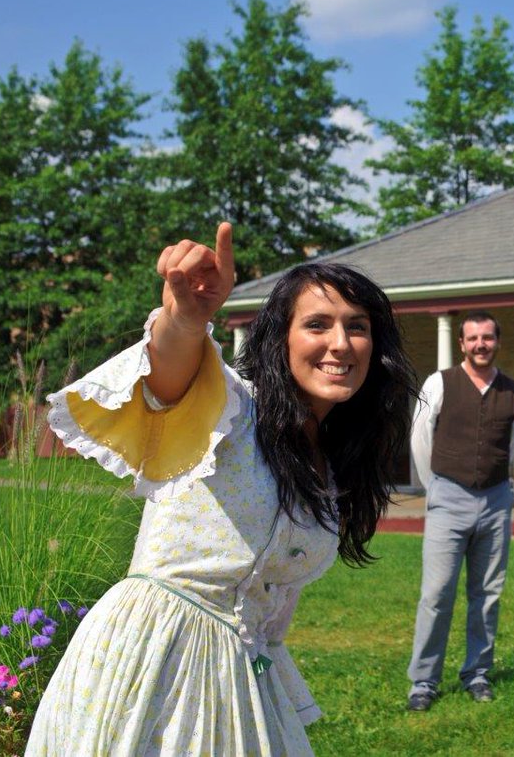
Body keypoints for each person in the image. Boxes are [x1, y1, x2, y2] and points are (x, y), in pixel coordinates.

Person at [28, 223, 418, 755]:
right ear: (281, 338)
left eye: (357, 327)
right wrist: (182, 321)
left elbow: (271, 610)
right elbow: (167, 379)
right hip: (153, 658)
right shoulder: (233, 408)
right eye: (318, 325)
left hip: (238, 677)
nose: (340, 344)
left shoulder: (334, 471)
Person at [405, 311, 514, 711]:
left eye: (487, 337)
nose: (480, 345)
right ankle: (424, 681)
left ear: (497, 341)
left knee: (487, 594)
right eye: (472, 338)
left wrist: (502, 485)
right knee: (436, 594)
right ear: (461, 344)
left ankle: (477, 673)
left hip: (495, 502)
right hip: (448, 497)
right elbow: (420, 437)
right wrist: (434, 486)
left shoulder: (513, 390)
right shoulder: (439, 383)